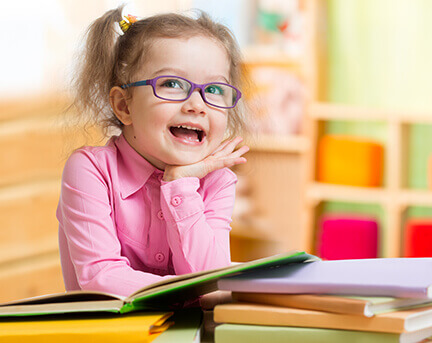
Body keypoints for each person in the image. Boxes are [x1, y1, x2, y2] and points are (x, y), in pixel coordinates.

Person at [57, 6, 249, 297]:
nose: (197, 105)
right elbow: (101, 278)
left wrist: (179, 186)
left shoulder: (218, 181)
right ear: (124, 105)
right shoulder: (90, 170)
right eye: (172, 84)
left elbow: (211, 280)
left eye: (214, 90)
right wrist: (191, 295)